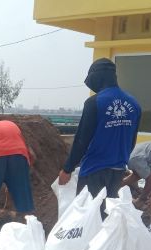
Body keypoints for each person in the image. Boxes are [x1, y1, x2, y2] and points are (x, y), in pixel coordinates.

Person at [58, 58, 141, 201]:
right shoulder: (134, 104)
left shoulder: (95, 103)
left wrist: (67, 169)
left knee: (89, 215)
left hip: (93, 170)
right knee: (108, 213)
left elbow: (81, 141)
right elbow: (132, 140)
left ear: (97, 77)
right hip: (118, 170)